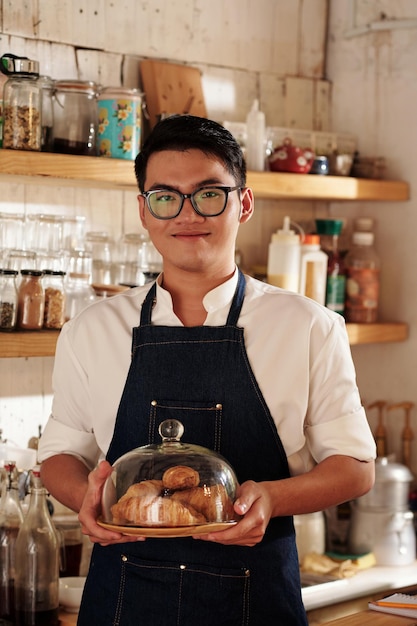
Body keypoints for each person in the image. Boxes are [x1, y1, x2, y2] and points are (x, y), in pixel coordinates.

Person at [38, 114, 376, 625]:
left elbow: (355, 467)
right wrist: (86, 499)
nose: (187, 213)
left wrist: (270, 497)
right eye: (165, 196)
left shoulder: (309, 326)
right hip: (124, 599)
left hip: (256, 599)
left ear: (244, 202)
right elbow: (60, 454)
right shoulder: (91, 329)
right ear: (144, 211)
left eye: (208, 194)